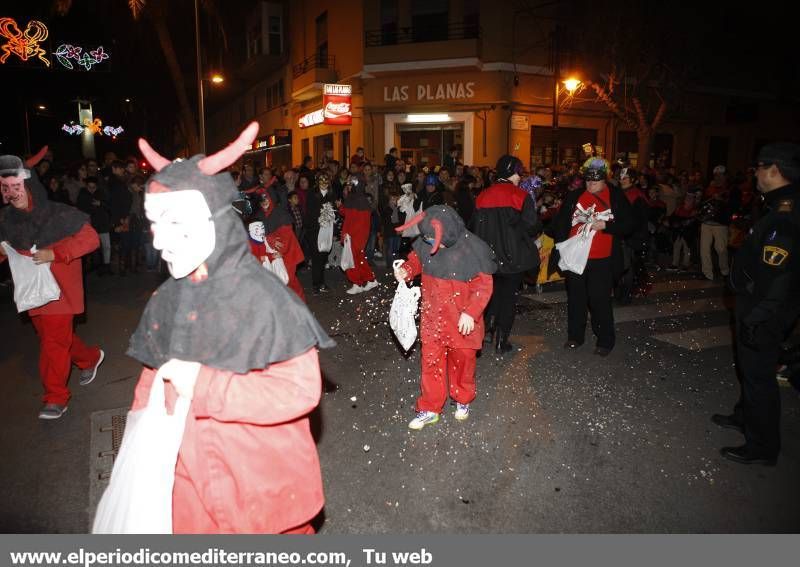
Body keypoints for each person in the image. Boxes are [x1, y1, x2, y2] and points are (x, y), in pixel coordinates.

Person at [129, 123, 334, 532]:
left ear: (215, 222)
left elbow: (299, 389)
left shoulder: (266, 300)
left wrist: (203, 385)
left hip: (265, 489)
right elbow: (150, 380)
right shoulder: (165, 300)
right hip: (189, 488)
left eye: (174, 224)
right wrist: (137, 446)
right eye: (155, 225)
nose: (158, 242)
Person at [0, 149, 104, 420]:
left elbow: (91, 239)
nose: (11, 193)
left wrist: (55, 253)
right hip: (31, 291)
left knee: (54, 343)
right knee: (54, 339)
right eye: (5, 188)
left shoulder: (59, 213)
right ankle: (90, 358)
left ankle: (55, 397)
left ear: (29, 184)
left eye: (16, 186)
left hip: (61, 291)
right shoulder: (7, 220)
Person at [713, 143, 800, 466]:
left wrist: (758, 318)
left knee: (759, 377)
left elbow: (778, 276)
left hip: (765, 312)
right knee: (748, 369)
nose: (756, 174)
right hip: (756, 306)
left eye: (760, 168)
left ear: (774, 170)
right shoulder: (777, 206)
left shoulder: (786, 213)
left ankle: (762, 446)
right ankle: (744, 416)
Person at [393, 206, 496, 430]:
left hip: (463, 321)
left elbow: (484, 286)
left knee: (463, 363)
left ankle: (462, 398)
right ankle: (430, 407)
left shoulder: (473, 249)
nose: (431, 245)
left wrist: (471, 312)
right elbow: (416, 260)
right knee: (431, 364)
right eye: (427, 239)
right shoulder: (426, 244)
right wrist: (407, 270)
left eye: (434, 240)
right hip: (433, 318)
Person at [551, 158, 634, 356]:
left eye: (594, 182)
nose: (590, 185)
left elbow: (630, 223)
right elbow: (560, 222)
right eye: (587, 181)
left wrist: (607, 226)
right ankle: (575, 336)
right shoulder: (575, 195)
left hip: (602, 259)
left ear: (604, 180)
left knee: (600, 300)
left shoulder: (616, 196)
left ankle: (605, 340)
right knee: (576, 298)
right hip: (575, 257)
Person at [471, 155, 540, 353]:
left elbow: (473, 227)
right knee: (508, 298)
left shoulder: (482, 196)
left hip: (487, 259)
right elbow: (532, 226)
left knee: (490, 296)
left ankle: (486, 332)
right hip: (512, 259)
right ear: (513, 172)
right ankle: (502, 340)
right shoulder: (520, 196)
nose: (520, 177)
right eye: (519, 173)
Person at [254, 193, 306, 302]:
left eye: (266, 199)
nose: (264, 202)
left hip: (286, 253)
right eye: (261, 200)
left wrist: (282, 251)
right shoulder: (259, 215)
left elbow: (288, 235)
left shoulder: (280, 213)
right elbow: (257, 237)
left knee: (289, 280)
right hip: (270, 254)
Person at [339, 177, 378, 294]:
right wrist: (341, 206)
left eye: (351, 185)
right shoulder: (355, 199)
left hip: (354, 236)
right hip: (355, 235)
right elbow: (347, 214)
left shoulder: (358, 200)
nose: (348, 187)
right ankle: (370, 279)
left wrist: (349, 235)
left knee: (351, 259)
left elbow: (359, 222)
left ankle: (357, 283)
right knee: (359, 259)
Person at [305, 173, 337, 294]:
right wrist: (321, 217)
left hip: (327, 230)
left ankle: (321, 282)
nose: (324, 182)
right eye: (321, 179)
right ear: (317, 181)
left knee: (324, 257)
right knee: (317, 257)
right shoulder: (312, 194)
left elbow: (334, 211)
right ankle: (316, 284)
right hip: (315, 231)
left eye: (326, 179)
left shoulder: (331, 194)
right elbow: (310, 212)